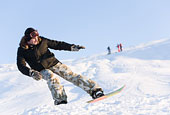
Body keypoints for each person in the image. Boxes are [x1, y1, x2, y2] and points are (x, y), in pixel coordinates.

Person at [17, 27, 104, 105]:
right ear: (28, 39)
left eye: (37, 36)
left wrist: (71, 47)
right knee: (51, 77)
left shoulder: (42, 41)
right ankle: (60, 100)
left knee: (70, 75)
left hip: (53, 63)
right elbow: (21, 65)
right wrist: (31, 73)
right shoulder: (22, 50)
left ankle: (95, 91)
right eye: (33, 38)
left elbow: (57, 44)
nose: (36, 39)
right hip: (41, 70)